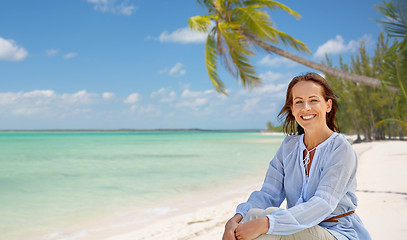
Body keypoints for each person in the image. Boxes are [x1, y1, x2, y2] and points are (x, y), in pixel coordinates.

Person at [222, 73, 371, 240]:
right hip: (296, 228)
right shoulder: (289, 147)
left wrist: (267, 223)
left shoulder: (340, 149)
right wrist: (235, 220)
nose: (306, 107)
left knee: (267, 223)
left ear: (328, 105)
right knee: (254, 214)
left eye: (313, 100)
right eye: (299, 102)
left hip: (337, 232)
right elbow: (269, 194)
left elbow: (322, 204)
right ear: (292, 109)